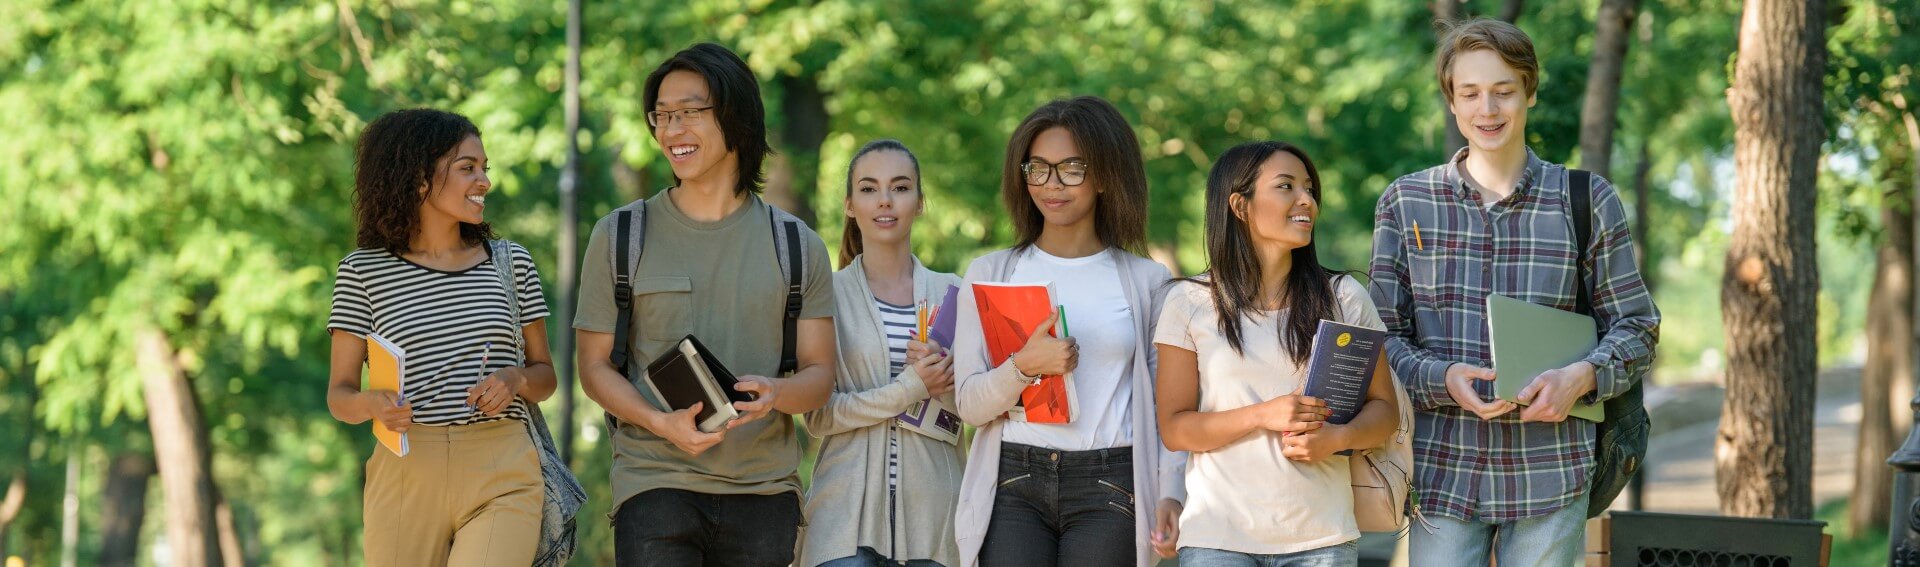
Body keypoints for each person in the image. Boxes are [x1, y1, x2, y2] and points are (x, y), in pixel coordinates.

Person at [1367, 18, 1660, 565]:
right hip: (1442, 474)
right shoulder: (1405, 202)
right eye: (1471, 93)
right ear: (1451, 102)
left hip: (1551, 473)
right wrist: (1442, 379)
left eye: (1504, 92)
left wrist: (1582, 377)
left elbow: (1638, 327)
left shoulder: (1586, 199)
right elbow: (1381, 340)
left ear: (1529, 93)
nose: (1488, 110)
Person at [573, 42, 837, 567]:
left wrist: (776, 393)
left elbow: (820, 376)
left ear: (735, 117)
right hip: (653, 484)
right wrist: (657, 420)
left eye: (690, 112)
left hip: (765, 493)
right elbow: (594, 367)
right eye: (662, 115)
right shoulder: (621, 235)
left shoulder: (797, 244)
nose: (672, 130)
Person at [951, 96, 1185, 567]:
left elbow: (1168, 410)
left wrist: (1172, 492)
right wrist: (1022, 368)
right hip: (1014, 480)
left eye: (1071, 168)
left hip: (1111, 483)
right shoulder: (990, 272)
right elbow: (970, 406)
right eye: (1037, 168)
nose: (1051, 185)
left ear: (1104, 176)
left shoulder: (1148, 282)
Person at [325, 108, 555, 567]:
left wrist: (515, 380)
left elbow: (545, 375)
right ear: (418, 178)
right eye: (468, 168)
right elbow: (339, 394)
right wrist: (374, 404)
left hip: (502, 462)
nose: (484, 181)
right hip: (407, 468)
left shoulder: (510, 263)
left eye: (484, 168)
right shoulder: (362, 273)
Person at [1155, 141, 1400, 566]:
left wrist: (1338, 438)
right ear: (1239, 204)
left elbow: (1385, 411)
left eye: (1309, 188)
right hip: (1217, 539)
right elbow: (1175, 429)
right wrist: (1261, 414)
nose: (1307, 200)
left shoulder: (1343, 297)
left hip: (1322, 540)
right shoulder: (1188, 302)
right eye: (1286, 186)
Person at [802, 139, 964, 567]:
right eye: (869, 189)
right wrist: (910, 387)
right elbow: (818, 416)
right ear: (850, 205)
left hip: (935, 516)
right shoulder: (827, 296)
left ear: (920, 202)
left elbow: (975, 412)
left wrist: (946, 385)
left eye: (901, 187)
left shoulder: (955, 293)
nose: (885, 201)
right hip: (844, 519)